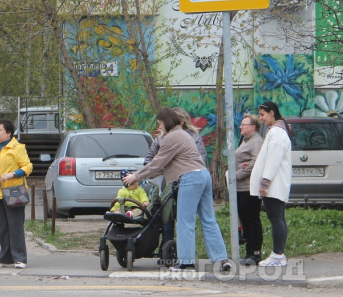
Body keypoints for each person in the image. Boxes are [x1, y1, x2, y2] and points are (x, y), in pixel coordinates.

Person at [124, 107, 230, 272]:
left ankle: (186, 263)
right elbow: (162, 167)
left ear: (166, 122)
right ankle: (222, 259)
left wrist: (135, 177)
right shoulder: (183, 134)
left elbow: (157, 163)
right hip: (203, 176)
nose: (159, 128)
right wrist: (140, 175)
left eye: (160, 124)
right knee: (209, 220)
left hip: (190, 178)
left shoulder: (172, 137)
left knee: (184, 221)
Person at [0, 119, 33, 269]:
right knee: (2, 227)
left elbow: (27, 166)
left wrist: (12, 174)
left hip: (13, 191)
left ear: (8, 133)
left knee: (15, 225)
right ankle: (5, 257)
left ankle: (20, 258)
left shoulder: (17, 148)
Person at [250, 101, 293, 267]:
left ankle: (278, 255)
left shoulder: (276, 132)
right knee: (279, 219)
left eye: (262, 115)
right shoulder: (278, 131)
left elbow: (273, 160)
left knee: (276, 219)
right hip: (275, 183)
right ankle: (278, 254)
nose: (260, 118)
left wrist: (264, 182)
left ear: (272, 113)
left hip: (273, 184)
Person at [236, 113, 264, 265]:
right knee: (245, 220)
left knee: (252, 219)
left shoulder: (256, 141)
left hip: (249, 187)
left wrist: (238, 174)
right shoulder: (245, 140)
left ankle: (256, 252)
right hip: (240, 188)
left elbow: (255, 162)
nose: (240, 126)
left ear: (253, 127)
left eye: (244, 124)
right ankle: (249, 251)